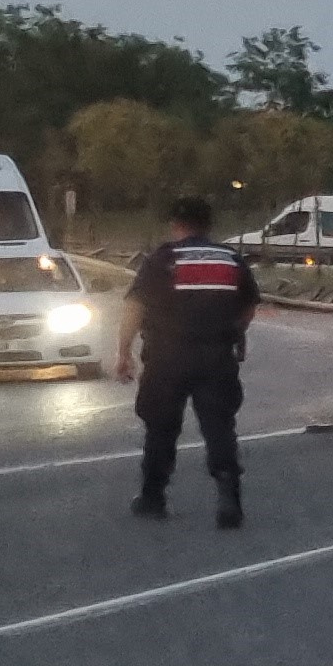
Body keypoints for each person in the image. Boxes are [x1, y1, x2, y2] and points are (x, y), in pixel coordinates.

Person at [115, 196, 259, 527]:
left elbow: (135, 306)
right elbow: (249, 304)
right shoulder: (230, 259)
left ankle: (153, 496)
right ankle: (228, 495)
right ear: (209, 225)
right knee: (220, 427)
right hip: (216, 357)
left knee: (161, 428)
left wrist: (123, 352)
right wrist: (236, 332)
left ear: (176, 225)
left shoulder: (163, 259)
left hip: (167, 358)